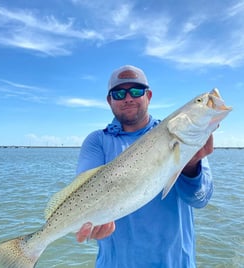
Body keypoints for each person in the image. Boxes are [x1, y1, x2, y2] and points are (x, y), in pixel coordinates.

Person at [75, 65, 214, 267]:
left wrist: (191, 165)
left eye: (137, 91)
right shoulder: (98, 140)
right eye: (119, 93)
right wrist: (90, 224)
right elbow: (83, 191)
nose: (128, 98)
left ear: (148, 96)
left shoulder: (180, 135)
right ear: (109, 100)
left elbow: (200, 200)